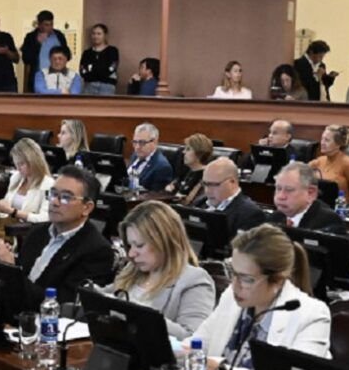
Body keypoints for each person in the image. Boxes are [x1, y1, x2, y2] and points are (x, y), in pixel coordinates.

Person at [190, 224, 331, 370]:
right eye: (232, 272)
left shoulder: (312, 315)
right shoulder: (231, 298)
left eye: (246, 279)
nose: (235, 285)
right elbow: (197, 345)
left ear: (278, 280)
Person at [0, 165, 114, 309]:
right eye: (52, 194)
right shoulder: (37, 231)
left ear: (87, 208)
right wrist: (1, 261)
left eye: (66, 197)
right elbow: (24, 275)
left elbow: (62, 304)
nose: (54, 202)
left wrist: (10, 270)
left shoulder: (97, 251)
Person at [107, 201, 215, 339]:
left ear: (164, 241)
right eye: (129, 245)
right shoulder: (133, 269)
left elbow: (193, 337)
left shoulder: (195, 280)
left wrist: (138, 314)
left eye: (139, 245)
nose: (131, 254)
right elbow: (108, 295)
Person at [194, 157, 267, 239]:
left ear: (232, 182)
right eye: (205, 184)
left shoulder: (250, 214)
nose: (207, 191)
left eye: (214, 185)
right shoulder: (200, 203)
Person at [0, 137, 54, 223]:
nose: (18, 168)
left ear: (33, 161)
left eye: (21, 164)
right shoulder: (16, 177)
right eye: (16, 164)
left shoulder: (48, 184)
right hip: (9, 226)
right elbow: (6, 209)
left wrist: (13, 212)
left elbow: (45, 218)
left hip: (28, 229)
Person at [270, 162, 346, 235]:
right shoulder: (276, 217)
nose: (280, 196)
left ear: (310, 193)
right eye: (278, 188)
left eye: (289, 190)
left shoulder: (329, 221)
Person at [308, 125, 349, 204]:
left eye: (327, 140)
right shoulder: (318, 162)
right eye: (322, 139)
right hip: (318, 205)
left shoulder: (348, 164)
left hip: (339, 207)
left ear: (338, 144)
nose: (322, 143)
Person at [21, 10, 70, 93]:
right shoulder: (31, 37)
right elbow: (26, 59)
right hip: (39, 78)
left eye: (51, 24)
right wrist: (37, 44)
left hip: (58, 78)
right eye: (46, 25)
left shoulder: (59, 36)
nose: (50, 27)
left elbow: (68, 55)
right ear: (39, 25)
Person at [165, 133, 213, 206]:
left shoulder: (206, 176)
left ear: (199, 153)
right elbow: (171, 188)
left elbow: (189, 202)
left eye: (188, 149)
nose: (183, 152)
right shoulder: (186, 171)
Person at [128, 122, 173, 191]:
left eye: (142, 142)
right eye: (135, 142)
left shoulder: (162, 167)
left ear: (154, 142)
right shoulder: (135, 155)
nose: (137, 147)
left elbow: (155, 195)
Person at [79, 23, 119, 95]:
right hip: (89, 85)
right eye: (93, 34)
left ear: (105, 35)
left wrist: (95, 72)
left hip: (107, 85)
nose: (96, 36)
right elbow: (83, 70)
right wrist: (93, 75)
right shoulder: (87, 53)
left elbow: (112, 67)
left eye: (99, 34)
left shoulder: (112, 51)